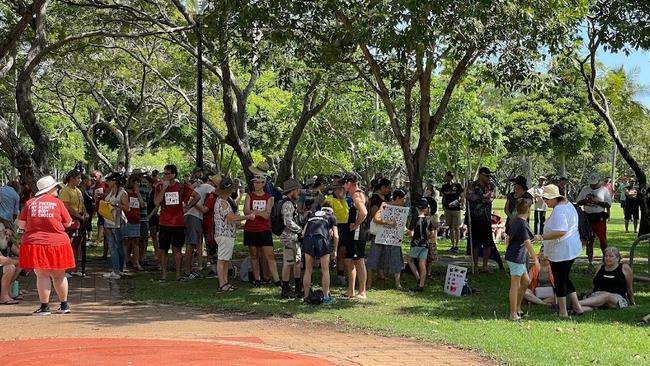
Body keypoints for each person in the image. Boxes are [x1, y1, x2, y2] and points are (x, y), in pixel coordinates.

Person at [17, 175, 75, 315]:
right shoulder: (58, 203)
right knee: (60, 274)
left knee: (42, 274)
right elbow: (68, 223)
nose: (57, 189)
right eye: (55, 187)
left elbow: (21, 224)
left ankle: (44, 307)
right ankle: (64, 305)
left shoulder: (30, 203)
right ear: (49, 189)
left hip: (36, 242)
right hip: (59, 242)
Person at [534, 184, 584, 317]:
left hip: (562, 251)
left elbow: (560, 231)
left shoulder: (560, 210)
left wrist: (541, 236)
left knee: (559, 280)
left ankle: (563, 311)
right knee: (565, 278)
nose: (545, 202)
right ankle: (578, 308)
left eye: (547, 199)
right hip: (570, 249)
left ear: (555, 198)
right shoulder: (568, 205)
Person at [213, 177, 255, 292]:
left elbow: (230, 219)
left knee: (225, 260)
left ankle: (225, 282)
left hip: (224, 233)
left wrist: (238, 224)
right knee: (222, 260)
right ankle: (222, 283)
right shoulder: (223, 202)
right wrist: (247, 217)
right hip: (225, 234)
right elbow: (231, 217)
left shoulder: (221, 201)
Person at [504, 198, 539, 321]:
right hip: (516, 257)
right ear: (529, 210)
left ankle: (517, 308)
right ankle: (513, 314)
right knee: (515, 285)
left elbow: (508, 238)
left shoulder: (516, 221)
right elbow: (527, 242)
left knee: (526, 281)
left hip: (516, 256)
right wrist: (536, 259)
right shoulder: (523, 223)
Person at [243, 174, 279, 287]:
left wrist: (255, 212)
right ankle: (257, 279)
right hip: (251, 229)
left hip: (264, 229)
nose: (256, 184)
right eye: (255, 182)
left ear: (263, 183)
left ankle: (277, 280)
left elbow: (267, 215)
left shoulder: (269, 197)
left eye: (258, 182)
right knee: (254, 255)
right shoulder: (249, 195)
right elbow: (246, 211)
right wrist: (259, 213)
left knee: (270, 255)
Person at [368, 189, 407, 290]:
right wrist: (388, 222)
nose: (404, 202)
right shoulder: (384, 205)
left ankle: (398, 283)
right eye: (403, 200)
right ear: (397, 198)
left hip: (394, 237)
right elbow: (376, 219)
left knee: (396, 257)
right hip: (380, 236)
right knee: (374, 257)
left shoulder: (402, 210)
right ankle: (368, 282)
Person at [153, 165, 187, 281]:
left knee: (177, 249)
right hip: (164, 222)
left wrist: (187, 208)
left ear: (174, 174)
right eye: (164, 174)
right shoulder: (159, 186)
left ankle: (178, 274)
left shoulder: (181, 187)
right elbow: (156, 202)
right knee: (163, 249)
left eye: (168, 173)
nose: (165, 176)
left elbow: (195, 196)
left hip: (178, 222)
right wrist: (163, 189)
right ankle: (164, 274)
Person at [302, 202, 338, 305]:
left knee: (308, 270)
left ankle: (306, 297)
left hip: (308, 239)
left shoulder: (312, 215)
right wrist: (334, 250)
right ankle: (326, 298)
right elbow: (336, 236)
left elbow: (304, 233)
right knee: (325, 269)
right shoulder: (331, 217)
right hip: (322, 239)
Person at [579, 246, 635, 312]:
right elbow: (594, 284)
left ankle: (576, 304)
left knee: (606, 296)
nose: (608, 258)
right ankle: (573, 310)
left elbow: (629, 288)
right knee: (594, 304)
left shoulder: (624, 268)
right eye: (606, 256)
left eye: (611, 256)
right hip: (597, 295)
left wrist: (632, 302)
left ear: (617, 258)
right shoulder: (600, 267)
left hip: (616, 297)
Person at [342, 173, 369, 299]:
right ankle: (350, 290)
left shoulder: (357, 195)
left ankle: (362, 291)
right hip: (352, 233)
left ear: (349, 183)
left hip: (358, 233)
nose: (343, 185)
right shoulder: (353, 195)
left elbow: (363, 212)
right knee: (348, 260)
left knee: (358, 260)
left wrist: (355, 225)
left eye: (344, 183)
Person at [576, 172, 612, 268]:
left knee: (603, 240)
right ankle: (590, 262)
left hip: (599, 217)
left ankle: (606, 260)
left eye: (594, 184)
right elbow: (578, 202)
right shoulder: (585, 189)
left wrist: (598, 202)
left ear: (598, 181)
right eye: (591, 183)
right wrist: (586, 201)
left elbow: (608, 204)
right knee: (589, 240)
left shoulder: (604, 190)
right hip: (587, 217)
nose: (592, 185)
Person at [466, 167, 498, 272]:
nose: (489, 178)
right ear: (480, 175)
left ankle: (485, 265)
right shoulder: (472, 185)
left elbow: (490, 198)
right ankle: (475, 265)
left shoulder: (491, 186)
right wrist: (483, 196)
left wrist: (480, 197)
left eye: (489, 176)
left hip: (486, 218)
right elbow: (470, 197)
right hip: (474, 218)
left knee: (487, 243)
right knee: (475, 243)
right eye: (486, 175)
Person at [59, 169, 88, 277]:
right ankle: (66, 269)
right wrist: (78, 215)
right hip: (70, 219)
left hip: (79, 219)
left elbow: (82, 204)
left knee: (76, 244)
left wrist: (85, 213)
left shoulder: (78, 190)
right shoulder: (65, 191)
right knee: (69, 243)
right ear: (71, 178)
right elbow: (66, 207)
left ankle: (74, 267)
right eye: (78, 178)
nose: (80, 180)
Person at [182, 174, 210, 279]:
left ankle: (189, 268)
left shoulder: (194, 188)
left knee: (194, 243)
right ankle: (187, 270)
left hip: (193, 216)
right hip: (193, 216)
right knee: (191, 244)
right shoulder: (207, 186)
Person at [279, 179, 304, 299]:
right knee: (289, 263)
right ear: (292, 191)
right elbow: (287, 221)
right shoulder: (288, 204)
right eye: (297, 190)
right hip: (289, 237)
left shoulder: (289, 203)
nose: (298, 192)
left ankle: (296, 286)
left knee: (296, 262)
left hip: (292, 237)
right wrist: (300, 229)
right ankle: (286, 288)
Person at [102, 172, 129, 279]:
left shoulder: (123, 193)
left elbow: (127, 208)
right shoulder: (109, 191)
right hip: (108, 221)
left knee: (116, 246)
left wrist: (117, 205)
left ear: (115, 181)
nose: (107, 182)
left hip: (118, 222)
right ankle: (117, 269)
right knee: (113, 246)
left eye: (110, 180)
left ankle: (117, 270)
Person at [366, 178, 391, 288]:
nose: (388, 190)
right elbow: (374, 213)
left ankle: (380, 272)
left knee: (383, 251)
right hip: (378, 228)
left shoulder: (385, 197)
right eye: (387, 188)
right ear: (382, 187)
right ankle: (370, 278)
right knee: (375, 252)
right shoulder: (375, 197)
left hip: (385, 228)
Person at [324, 180, 349, 286]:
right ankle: (325, 276)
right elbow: (325, 216)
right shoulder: (329, 200)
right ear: (334, 189)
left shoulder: (345, 200)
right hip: (333, 227)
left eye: (343, 188)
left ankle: (340, 275)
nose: (342, 191)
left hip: (344, 228)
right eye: (340, 188)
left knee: (342, 252)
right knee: (330, 253)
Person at [407, 198, 434, 292]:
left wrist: (408, 232)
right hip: (425, 244)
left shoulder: (415, 219)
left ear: (417, 208)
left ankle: (418, 278)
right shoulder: (429, 220)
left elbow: (411, 233)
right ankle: (421, 284)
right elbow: (431, 234)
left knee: (410, 260)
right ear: (426, 208)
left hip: (416, 243)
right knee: (422, 263)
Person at [124, 175, 144, 271]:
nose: (138, 184)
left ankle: (136, 262)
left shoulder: (137, 194)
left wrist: (138, 192)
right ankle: (125, 261)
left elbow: (142, 204)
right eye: (136, 182)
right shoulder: (125, 193)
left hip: (136, 219)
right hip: (127, 219)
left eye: (139, 183)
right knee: (126, 241)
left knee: (136, 241)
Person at [440, 171, 463, 253]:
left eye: (446, 176)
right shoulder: (444, 186)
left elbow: (462, 196)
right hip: (447, 209)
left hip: (456, 209)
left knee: (456, 227)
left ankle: (457, 245)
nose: (445, 177)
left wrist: (458, 203)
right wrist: (443, 206)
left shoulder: (457, 186)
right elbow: (443, 197)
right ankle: (452, 245)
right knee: (450, 226)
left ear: (450, 177)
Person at [91, 170, 108, 259]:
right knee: (99, 224)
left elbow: (109, 193)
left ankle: (99, 240)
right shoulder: (94, 187)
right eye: (92, 176)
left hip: (106, 209)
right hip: (99, 208)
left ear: (100, 176)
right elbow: (95, 198)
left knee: (105, 229)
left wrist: (103, 195)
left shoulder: (105, 184)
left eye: (95, 176)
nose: (93, 178)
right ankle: (99, 240)